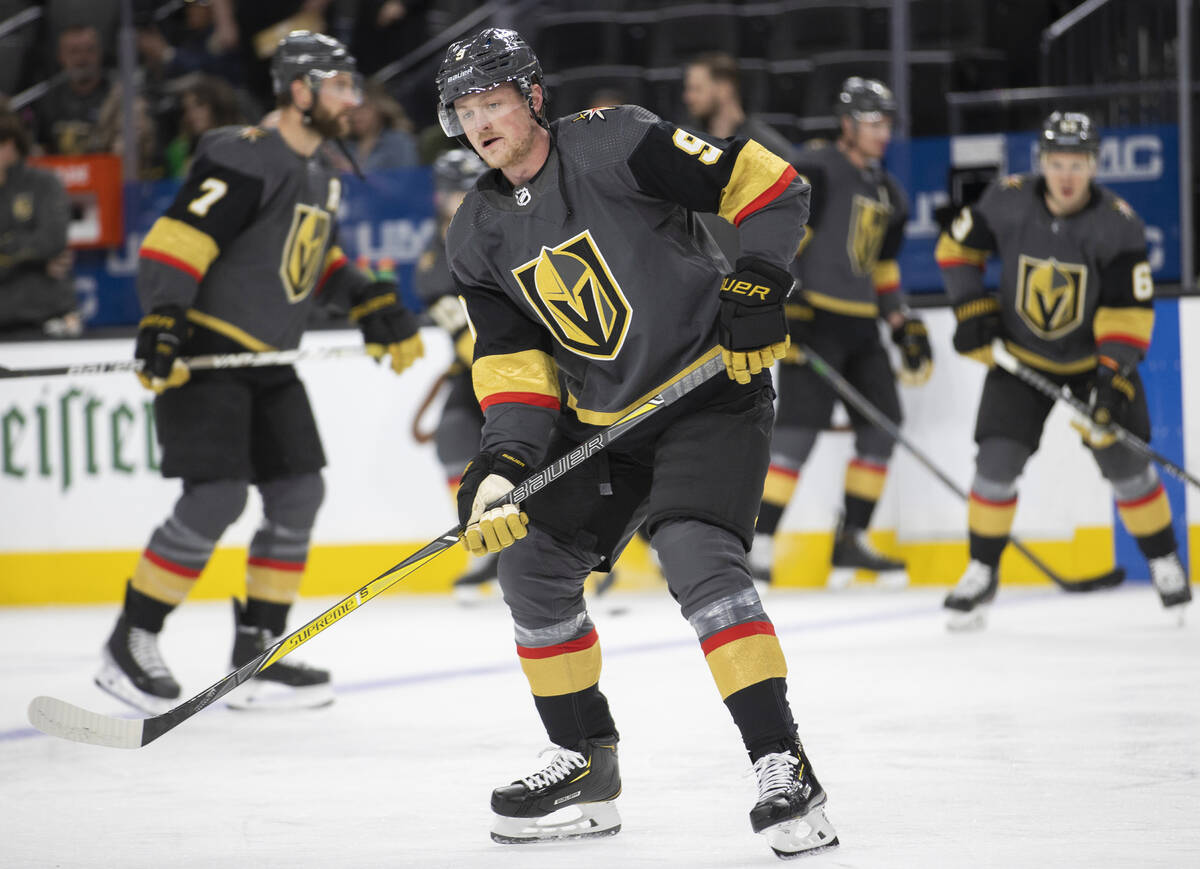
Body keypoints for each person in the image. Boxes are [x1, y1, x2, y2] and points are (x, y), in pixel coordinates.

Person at [437, 28, 838, 858]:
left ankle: (783, 762)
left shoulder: (616, 141)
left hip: (708, 394)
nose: (481, 124)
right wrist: (500, 467)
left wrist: (760, 275)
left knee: (696, 556)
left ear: (533, 98)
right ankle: (585, 760)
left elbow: (769, 183)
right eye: (465, 111)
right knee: (533, 563)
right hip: (604, 422)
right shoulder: (476, 231)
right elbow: (515, 369)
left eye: (494, 104)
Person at [95, 31, 424, 715]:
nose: (350, 99)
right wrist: (163, 319)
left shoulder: (322, 173)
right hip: (211, 353)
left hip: (269, 360)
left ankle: (259, 653)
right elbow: (175, 240)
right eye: (337, 86)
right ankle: (132, 638)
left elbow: (313, 256)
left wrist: (364, 295)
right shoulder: (244, 154)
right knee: (217, 497)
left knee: (298, 493)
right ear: (299, 90)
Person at [937, 110, 1192, 628]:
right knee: (995, 464)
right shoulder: (1006, 200)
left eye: (1078, 163)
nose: (1067, 174)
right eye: (1057, 162)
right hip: (1021, 357)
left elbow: (1128, 311)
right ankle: (982, 570)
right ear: (1042, 163)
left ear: (1095, 165)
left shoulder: (1118, 224)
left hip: (1092, 363)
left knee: (1127, 468)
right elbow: (955, 250)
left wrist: (1111, 378)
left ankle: (1165, 561)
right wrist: (972, 308)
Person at [748, 77, 932, 590]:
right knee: (796, 434)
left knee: (883, 426)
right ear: (848, 125)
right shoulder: (817, 170)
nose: (882, 133)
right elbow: (785, 243)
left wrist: (903, 326)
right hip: (816, 319)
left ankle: (851, 540)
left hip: (861, 326)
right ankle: (759, 544)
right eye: (873, 123)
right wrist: (793, 306)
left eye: (886, 123)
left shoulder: (889, 192)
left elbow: (883, 270)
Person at [410, 147, 496, 601]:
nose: (459, 198)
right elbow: (459, 327)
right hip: (482, 367)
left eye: (467, 188)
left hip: (540, 362)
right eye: (452, 191)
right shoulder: (434, 255)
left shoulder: (509, 226)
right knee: (454, 441)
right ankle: (484, 546)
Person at [682, 51, 795, 265]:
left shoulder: (770, 150)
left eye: (696, 89)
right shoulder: (684, 144)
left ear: (724, 89)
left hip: (746, 279)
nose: (688, 97)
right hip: (695, 277)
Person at [0, 110, 79, 337]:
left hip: (43, 320)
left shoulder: (44, 184)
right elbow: (41, 248)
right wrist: (34, 262)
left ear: (8, 144)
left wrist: (8, 252)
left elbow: (52, 242)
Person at [36, 24, 113, 155]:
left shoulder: (116, 95)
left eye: (89, 50)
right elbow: (41, 147)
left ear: (100, 53)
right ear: (61, 56)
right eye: (74, 51)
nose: (82, 58)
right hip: (60, 173)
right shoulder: (49, 99)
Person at [346, 81, 420, 171]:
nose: (356, 116)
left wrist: (352, 171)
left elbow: (407, 180)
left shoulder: (399, 141)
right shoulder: (345, 146)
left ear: (379, 108)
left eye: (362, 107)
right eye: (350, 109)